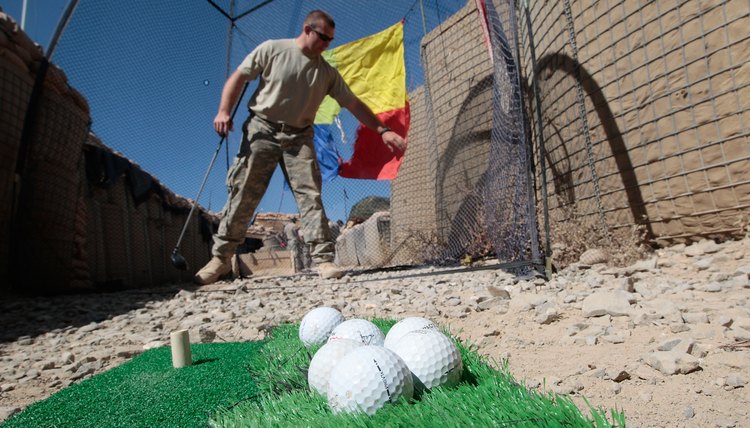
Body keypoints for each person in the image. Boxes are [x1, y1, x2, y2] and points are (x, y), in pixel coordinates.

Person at [194, 10, 406, 285]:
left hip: (299, 137)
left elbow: (353, 103)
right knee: (244, 192)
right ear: (308, 29)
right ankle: (220, 259)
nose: (326, 44)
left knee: (310, 195)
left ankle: (324, 260)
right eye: (323, 38)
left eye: (330, 40)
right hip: (263, 128)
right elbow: (238, 78)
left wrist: (383, 130)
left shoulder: (326, 73)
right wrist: (224, 111)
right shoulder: (273, 49)